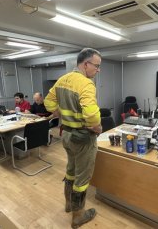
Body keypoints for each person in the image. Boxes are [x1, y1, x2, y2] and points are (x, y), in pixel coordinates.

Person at [44, 48, 102, 229]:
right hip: (83, 137)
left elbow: (48, 103)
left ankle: (68, 204)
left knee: (71, 169)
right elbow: (92, 116)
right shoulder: (85, 84)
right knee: (82, 177)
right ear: (86, 64)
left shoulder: (62, 79)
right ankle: (78, 216)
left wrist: (63, 112)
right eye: (97, 66)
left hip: (66, 136)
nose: (98, 70)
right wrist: (97, 127)